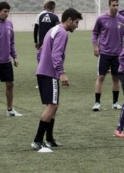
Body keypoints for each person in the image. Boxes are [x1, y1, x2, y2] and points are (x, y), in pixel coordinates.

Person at [31, 8, 83, 150]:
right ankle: (37, 140)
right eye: (76, 22)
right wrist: (62, 73)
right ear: (69, 20)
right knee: (52, 105)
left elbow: (40, 52)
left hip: (43, 72)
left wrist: (42, 65)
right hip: (50, 74)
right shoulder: (62, 33)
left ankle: (49, 139)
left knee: (54, 104)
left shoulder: (53, 30)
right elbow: (56, 55)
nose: (77, 26)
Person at [92, 0, 124, 111]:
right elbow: (95, 32)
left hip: (117, 55)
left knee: (115, 78)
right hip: (104, 53)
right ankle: (97, 103)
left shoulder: (123, 21)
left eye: (117, 5)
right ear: (109, 5)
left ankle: (115, 103)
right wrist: (95, 46)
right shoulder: (101, 19)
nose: (116, 7)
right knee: (100, 77)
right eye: (113, 5)